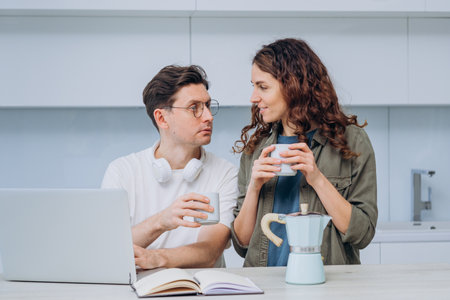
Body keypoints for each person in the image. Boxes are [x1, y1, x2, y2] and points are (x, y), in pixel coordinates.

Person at [231, 38, 377, 266]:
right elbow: (241, 244)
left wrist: (317, 179)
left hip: (326, 286)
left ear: (293, 86)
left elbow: (363, 234)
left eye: (263, 87)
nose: (253, 98)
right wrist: (254, 187)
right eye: (253, 86)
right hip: (264, 287)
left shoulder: (352, 142)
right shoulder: (256, 149)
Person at [102, 65, 238, 269]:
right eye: (195, 108)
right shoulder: (122, 171)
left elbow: (210, 251)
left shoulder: (224, 172)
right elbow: (108, 249)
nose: (208, 116)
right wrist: (161, 222)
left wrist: (156, 258)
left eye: (208, 105)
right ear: (162, 118)